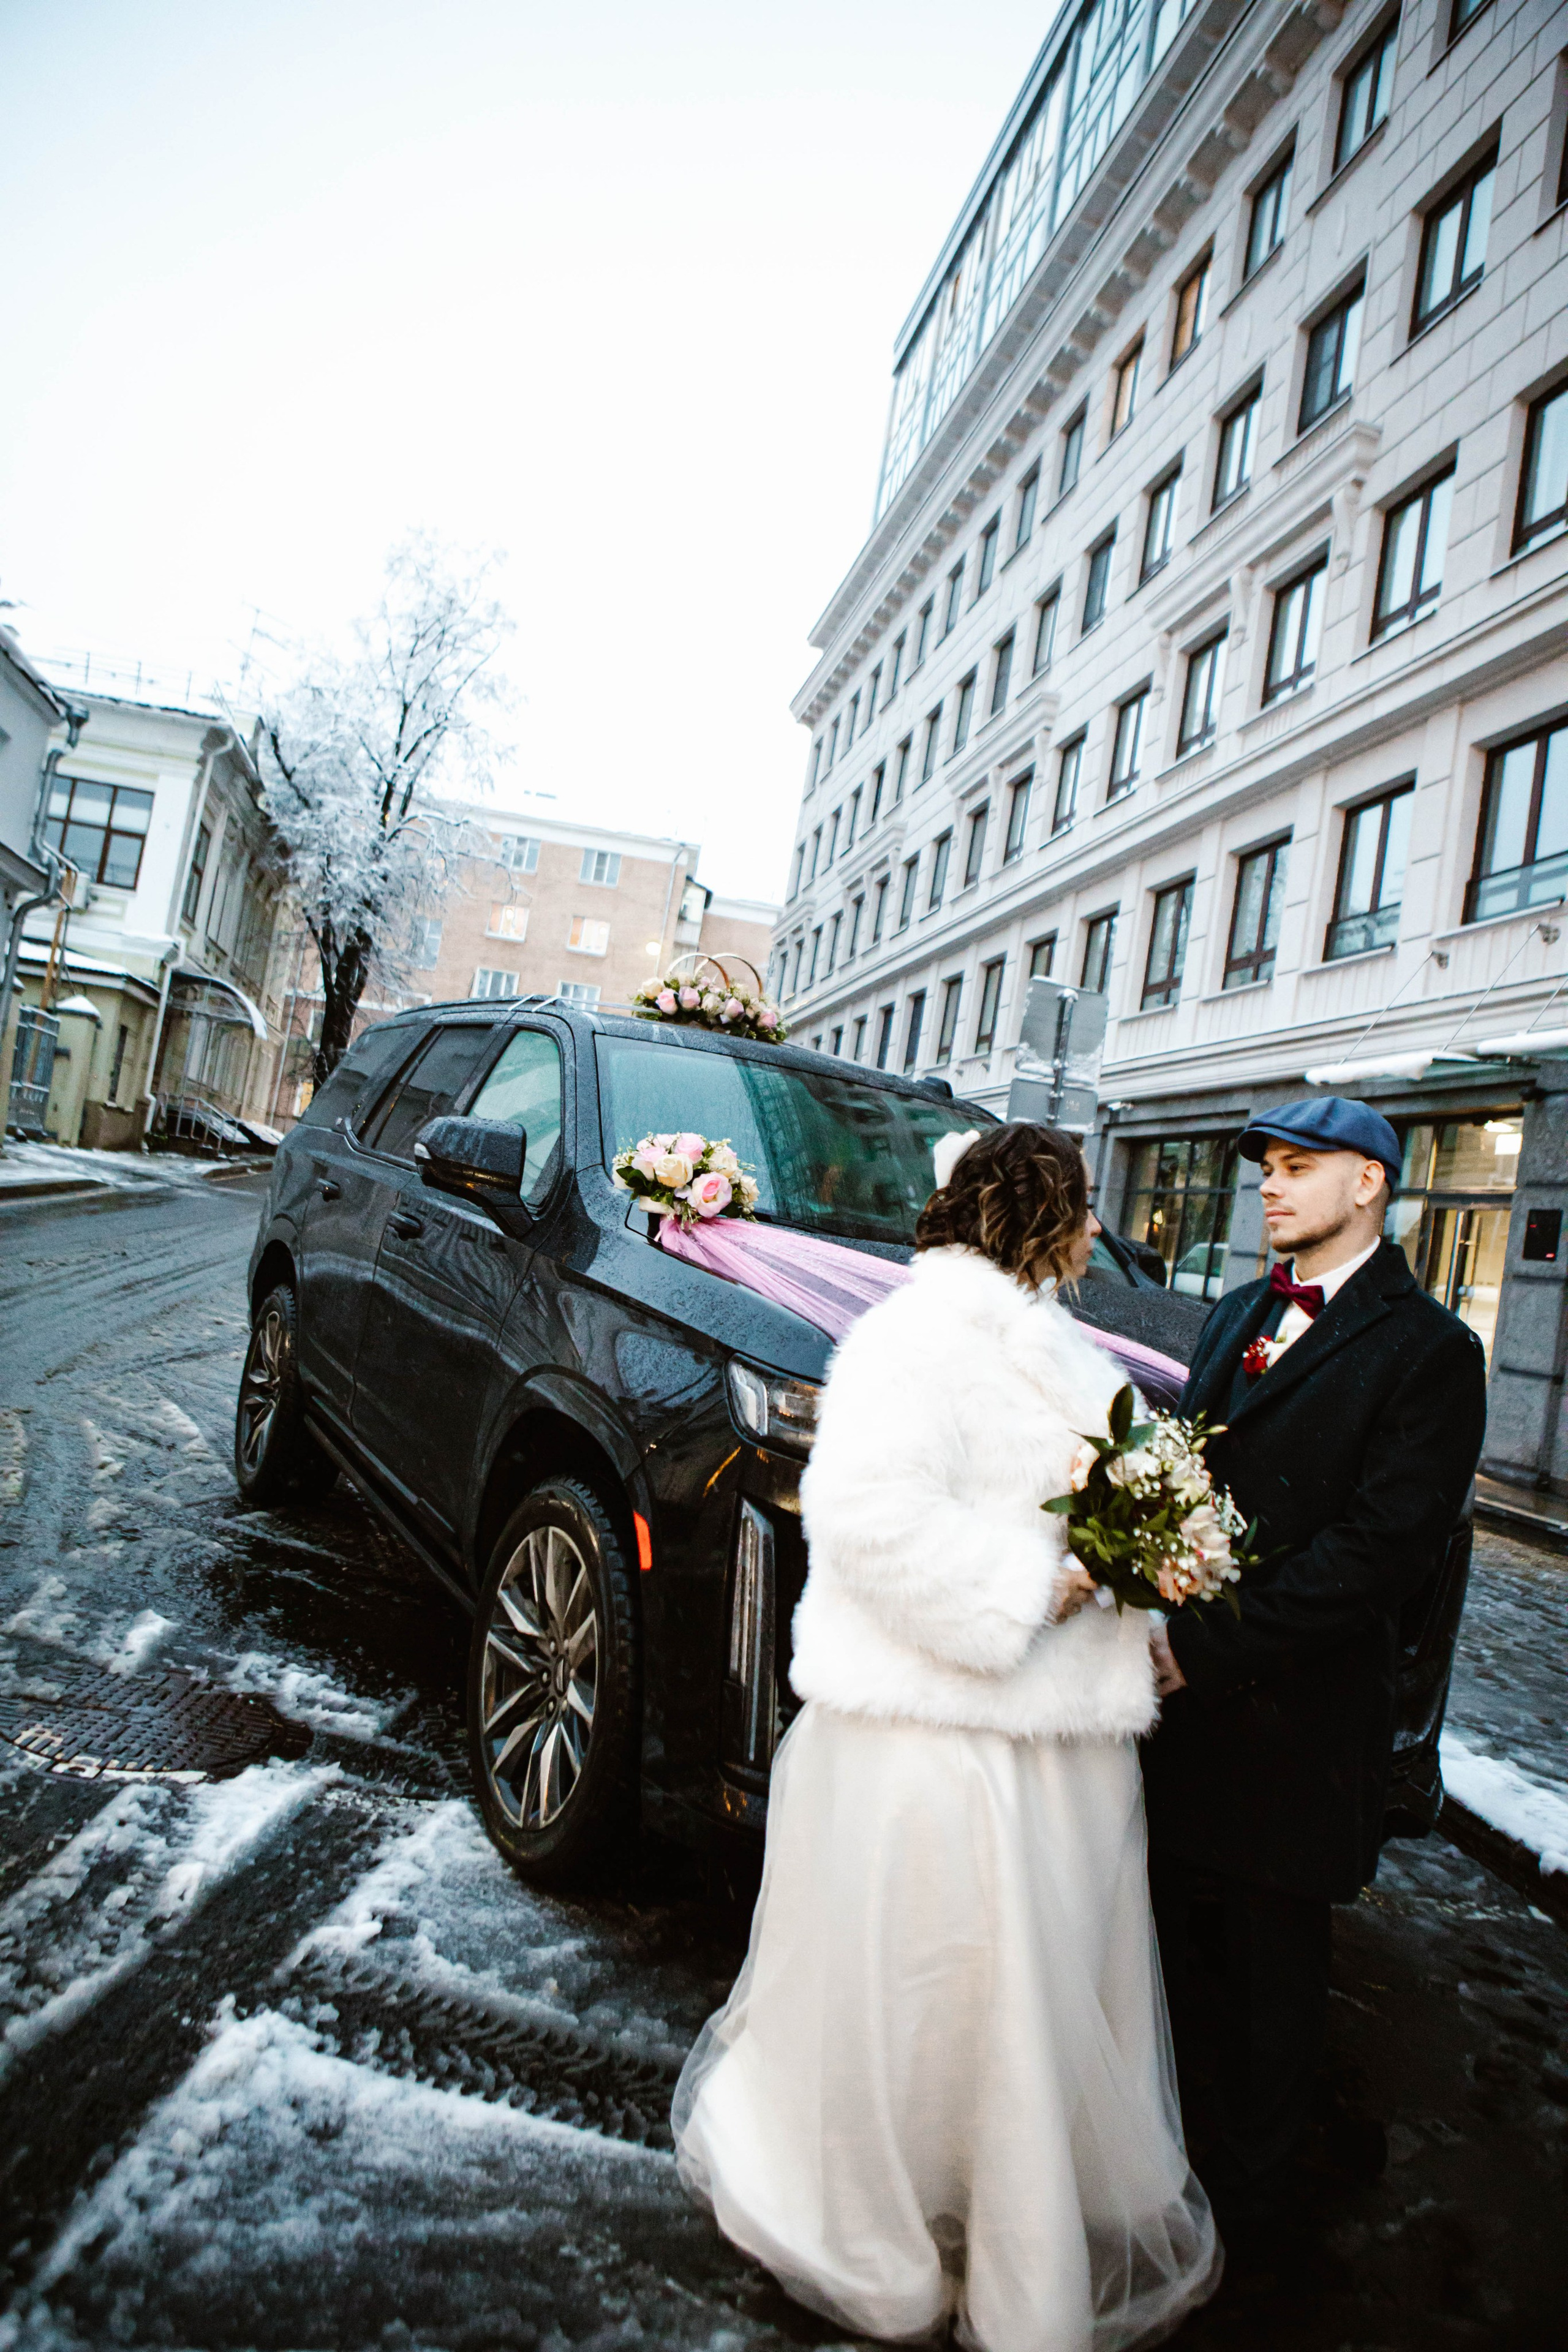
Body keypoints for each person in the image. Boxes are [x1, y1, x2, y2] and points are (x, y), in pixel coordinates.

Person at [673, 1122, 1221, 2352]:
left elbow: (1101, 1502)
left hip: (1056, 1751)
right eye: (1080, 1210)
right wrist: (1036, 1586)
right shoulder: (913, 1340)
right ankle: (897, 2228)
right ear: (1033, 1216)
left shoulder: (1068, 1352)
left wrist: (1146, 1587)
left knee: (1024, 2028)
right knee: (932, 2018)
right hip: (939, 1747)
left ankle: (1004, 2225)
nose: (1094, 1235)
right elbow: (862, 1517)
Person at [1142, 1098, 1487, 2231]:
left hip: (1294, 1739)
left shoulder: (1434, 1352)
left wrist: (1202, 1647)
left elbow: (1379, 1555)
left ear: (1371, 1184)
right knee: (1173, 1978)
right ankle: (1171, 2182)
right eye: (1265, 1170)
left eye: (1300, 1167)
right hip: (1181, 1732)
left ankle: (1250, 2229)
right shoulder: (1233, 1312)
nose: (1271, 1187)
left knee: (1265, 2002)